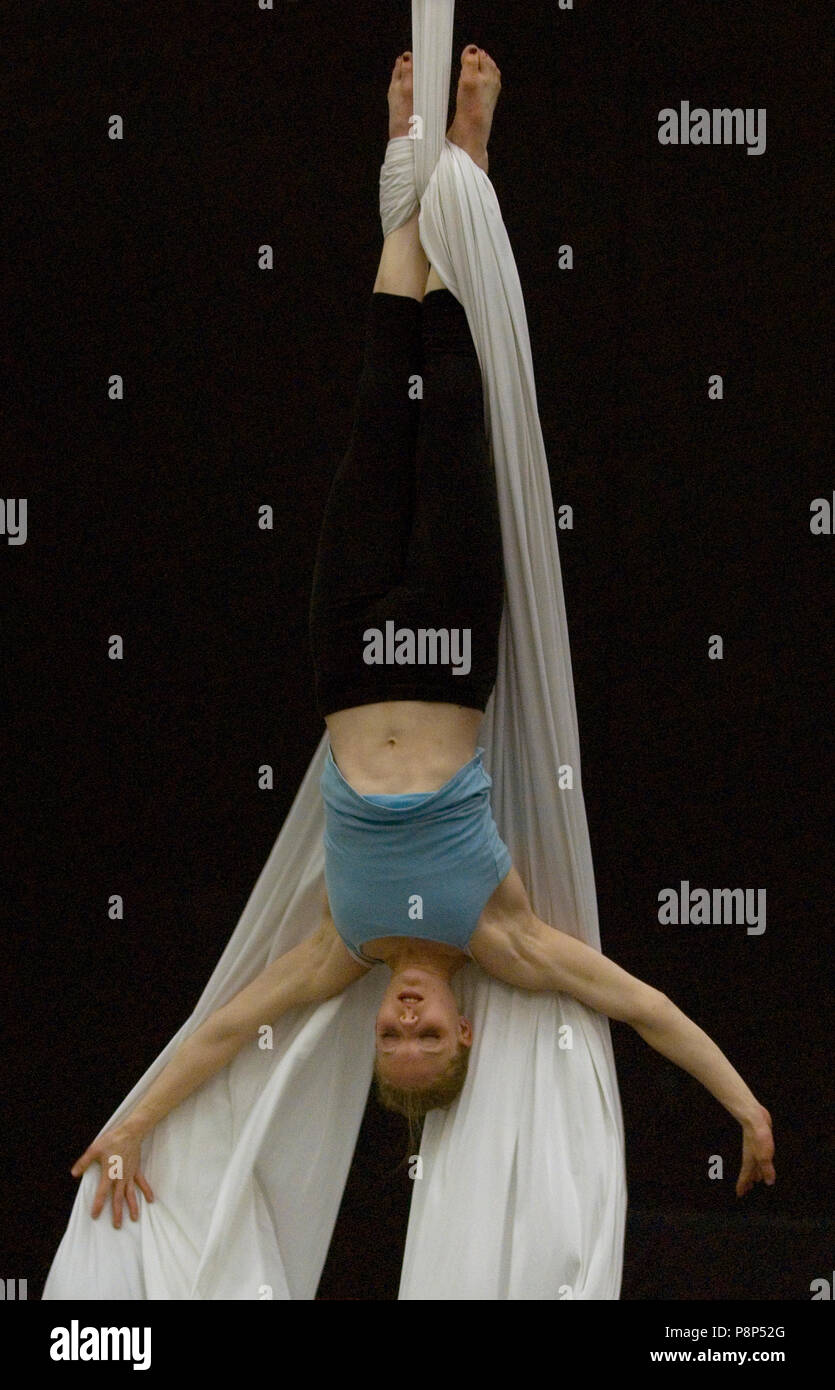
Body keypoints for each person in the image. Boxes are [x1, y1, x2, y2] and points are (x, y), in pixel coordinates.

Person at [71, 46, 776, 1231]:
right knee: (448, 411)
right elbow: (644, 1005)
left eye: (390, 1039)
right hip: (448, 652)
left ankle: (408, 164)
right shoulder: (499, 937)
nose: (401, 1020)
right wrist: (745, 1106)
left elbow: (220, 1030)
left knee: (373, 405)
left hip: (349, 654)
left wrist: (128, 1123)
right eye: (425, 1035)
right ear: (461, 1026)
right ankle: (472, 168)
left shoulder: (339, 949)